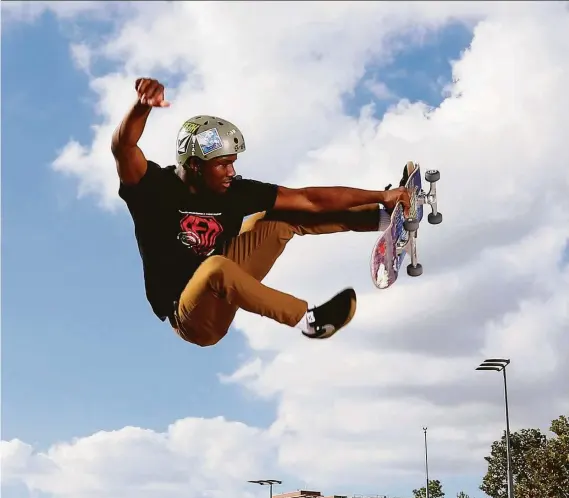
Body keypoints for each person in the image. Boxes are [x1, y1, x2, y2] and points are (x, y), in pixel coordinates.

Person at [112, 78, 410, 346]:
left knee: (278, 215)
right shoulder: (152, 189)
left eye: (233, 162)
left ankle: (381, 218)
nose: (231, 172)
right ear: (194, 165)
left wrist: (381, 196)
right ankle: (310, 320)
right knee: (216, 269)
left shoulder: (235, 191)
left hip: (225, 281)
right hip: (193, 318)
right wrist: (141, 106)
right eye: (222, 165)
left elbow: (308, 199)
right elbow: (124, 147)